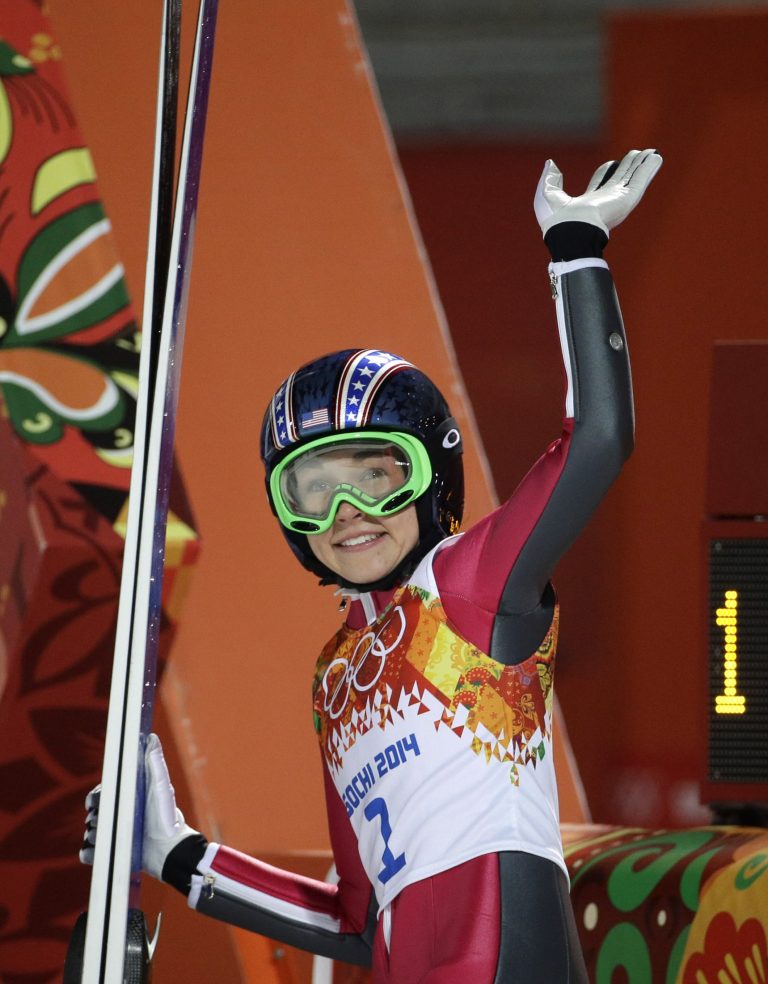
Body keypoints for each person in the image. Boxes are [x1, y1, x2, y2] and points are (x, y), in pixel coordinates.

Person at [82, 148, 662, 982]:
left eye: (376, 476)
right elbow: (354, 922)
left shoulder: (471, 585)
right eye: (311, 491)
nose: (345, 515)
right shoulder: (335, 675)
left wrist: (577, 251)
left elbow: (599, 441)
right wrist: (180, 856)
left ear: (432, 479)